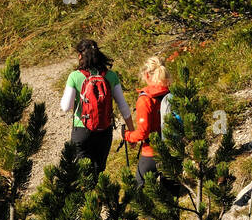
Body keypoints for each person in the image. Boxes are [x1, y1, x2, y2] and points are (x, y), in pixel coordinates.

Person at [59, 39, 132, 173]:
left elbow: (65, 107)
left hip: (82, 130)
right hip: (104, 130)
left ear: (80, 56)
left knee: (81, 173)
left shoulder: (74, 76)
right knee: (98, 172)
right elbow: (123, 107)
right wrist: (132, 130)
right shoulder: (111, 76)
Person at [124, 56, 173, 188]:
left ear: (146, 74)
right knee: (171, 196)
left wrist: (128, 136)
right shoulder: (170, 93)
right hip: (172, 151)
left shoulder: (145, 99)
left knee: (138, 190)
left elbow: (143, 133)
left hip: (151, 153)